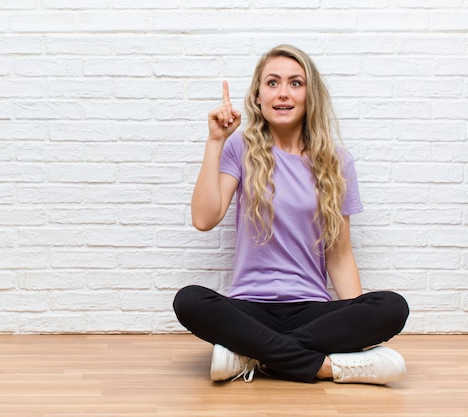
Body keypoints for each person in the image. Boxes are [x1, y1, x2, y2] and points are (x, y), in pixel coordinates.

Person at [173, 45, 409, 385]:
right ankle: (328, 367)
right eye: (272, 83)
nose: (283, 93)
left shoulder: (337, 162)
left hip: (311, 311)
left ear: (309, 95)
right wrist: (215, 141)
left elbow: (340, 256)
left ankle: (249, 356)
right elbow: (204, 219)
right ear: (257, 96)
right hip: (248, 309)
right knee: (190, 300)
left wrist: (357, 326)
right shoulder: (240, 148)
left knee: (392, 307)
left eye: (295, 83)